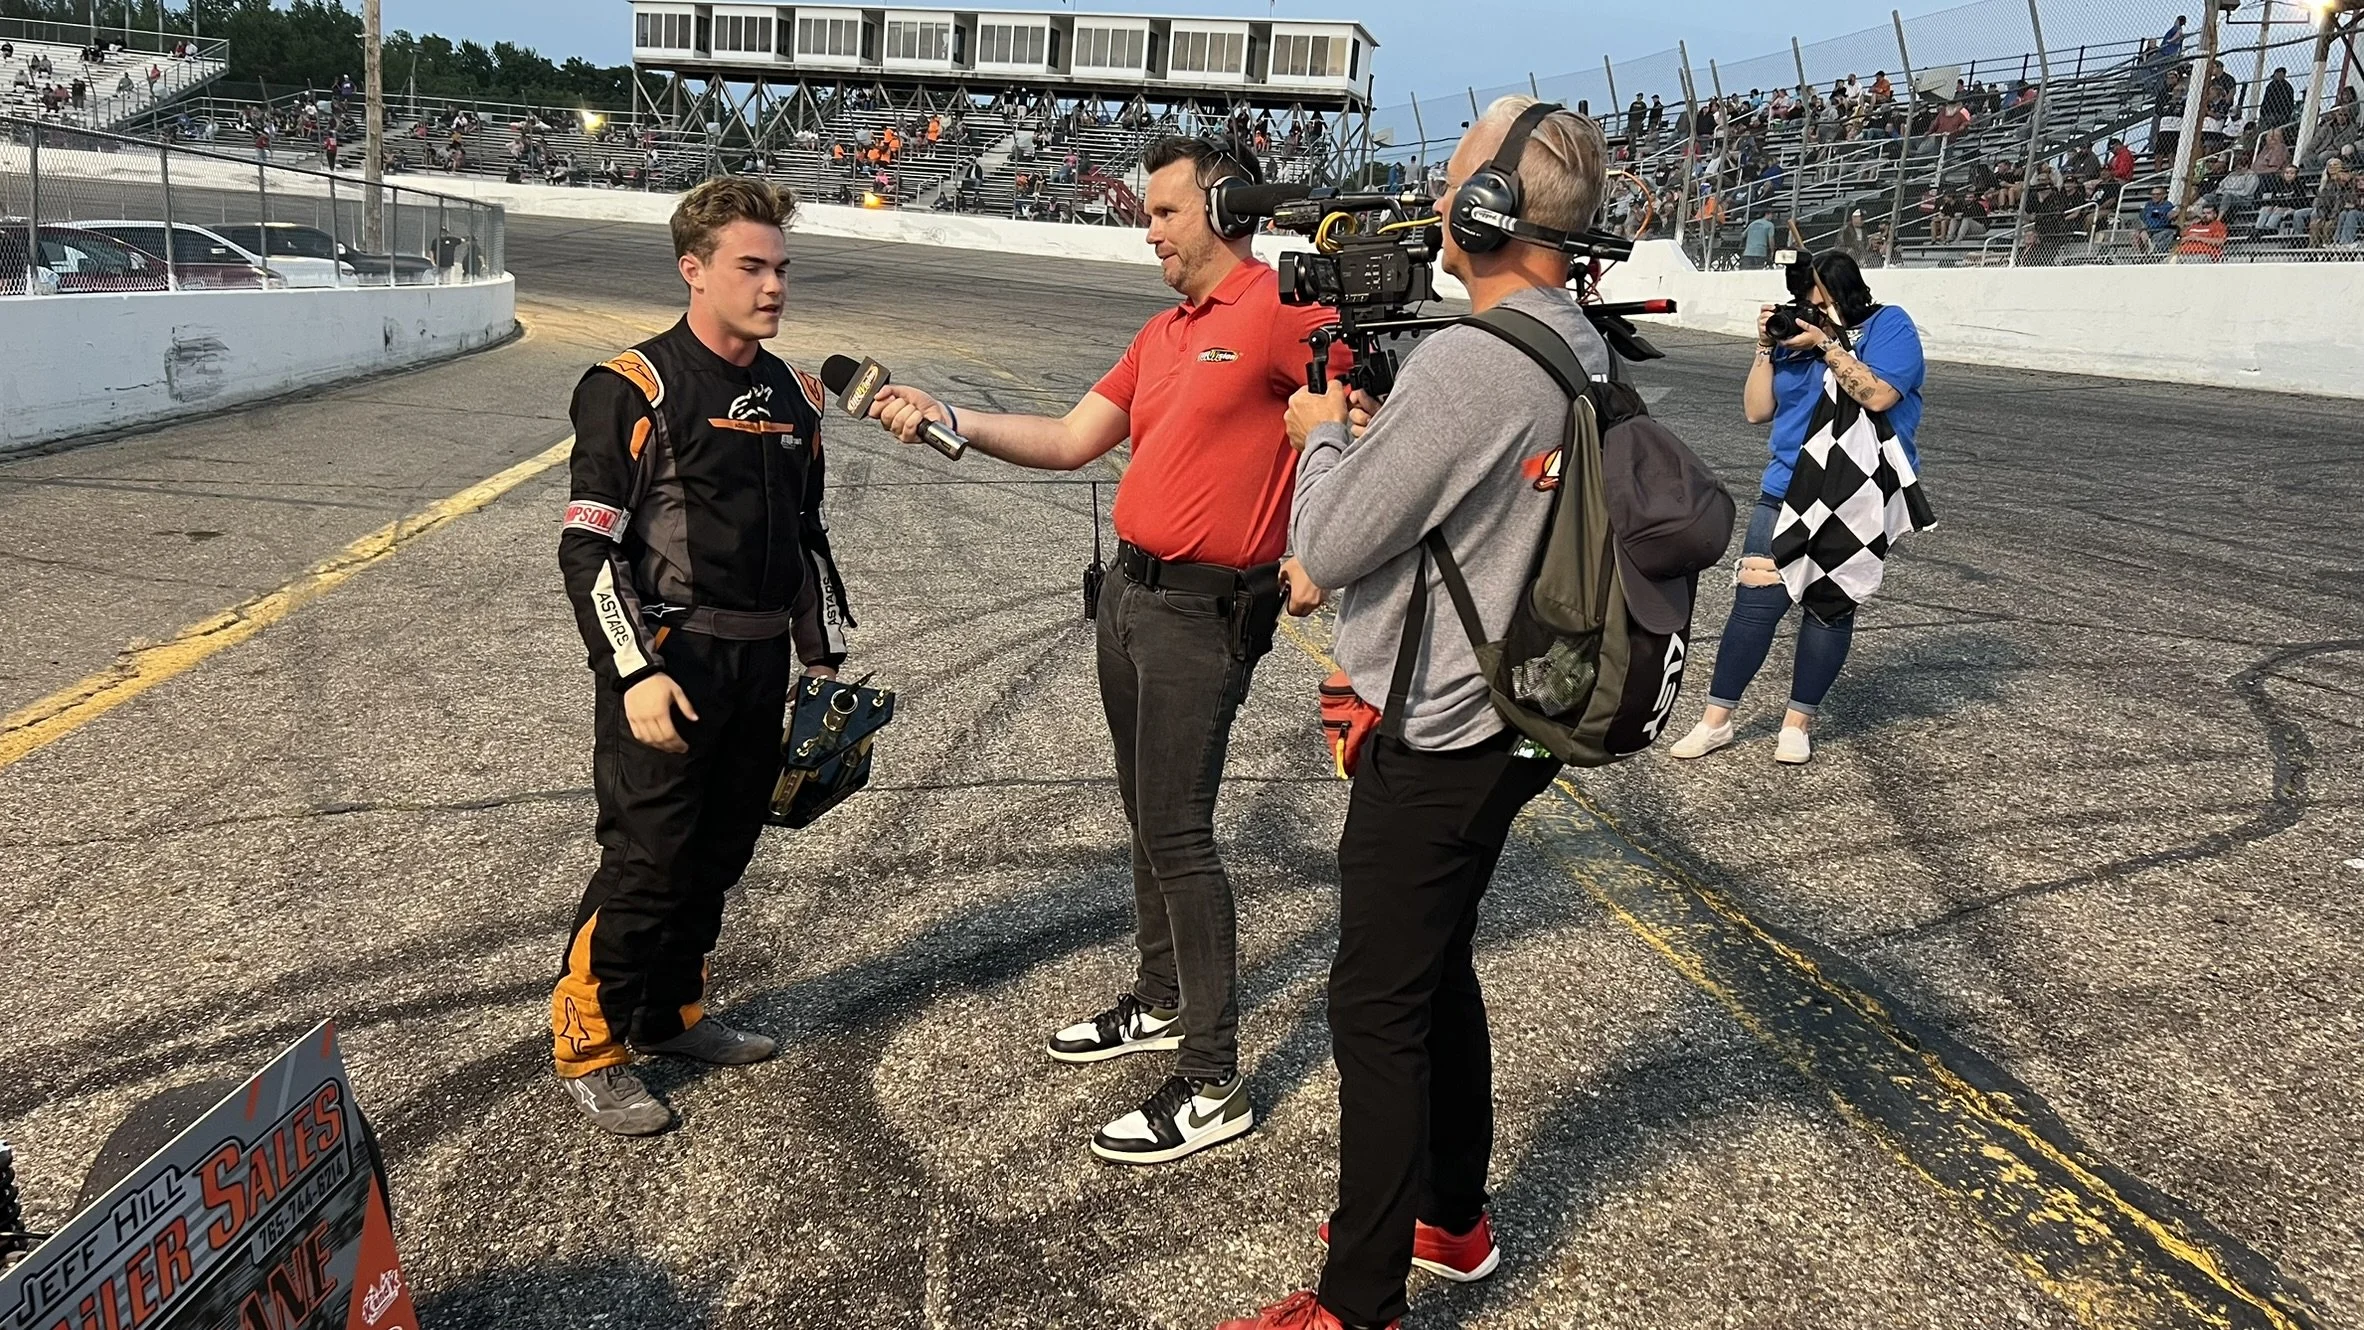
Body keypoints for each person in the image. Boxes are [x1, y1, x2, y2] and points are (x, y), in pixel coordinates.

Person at [1211, 97, 1616, 1330]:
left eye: (1452, 180)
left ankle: (1361, 1298)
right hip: (1515, 720)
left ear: (1492, 209)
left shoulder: (1470, 359)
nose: (1436, 201)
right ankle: (1452, 1213)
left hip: (1440, 729)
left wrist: (1324, 436)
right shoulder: (1572, 342)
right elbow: (1472, 492)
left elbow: (1328, 541)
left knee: (1373, 1004)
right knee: (1433, 964)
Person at [866, 134, 1344, 1166]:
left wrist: (1326, 548)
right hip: (1128, 596)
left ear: (1224, 210)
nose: (1150, 229)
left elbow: (1371, 403)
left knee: (1179, 831)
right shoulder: (1163, 333)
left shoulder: (1278, 312)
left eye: (1166, 212)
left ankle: (1213, 1078)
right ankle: (1163, 999)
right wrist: (948, 417)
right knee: (1145, 816)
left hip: (1204, 614)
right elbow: (1071, 437)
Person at [550, 177, 854, 1136]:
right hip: (671, 664)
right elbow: (588, 548)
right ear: (694, 271)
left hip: (762, 668)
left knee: (721, 854)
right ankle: (587, 1041)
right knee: (650, 860)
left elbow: (803, 537)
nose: (773, 288)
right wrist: (635, 672)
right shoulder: (630, 386)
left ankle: (668, 1014)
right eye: (751, 268)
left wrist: (819, 660)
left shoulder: (799, 395)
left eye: (781, 269)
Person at [1668, 251, 1924, 765]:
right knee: (1754, 605)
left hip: (1855, 496)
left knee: (1829, 609)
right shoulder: (1793, 340)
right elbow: (1756, 411)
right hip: (1785, 487)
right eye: (1802, 305)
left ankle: (1797, 723)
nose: (1807, 313)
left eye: (1817, 303)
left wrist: (1828, 345)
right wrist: (1766, 346)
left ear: (1842, 295)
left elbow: (1877, 396)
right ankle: (1715, 720)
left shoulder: (1889, 326)